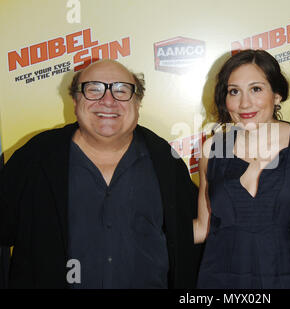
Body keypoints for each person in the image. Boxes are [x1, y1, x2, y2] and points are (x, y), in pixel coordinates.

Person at [0, 59, 201, 288]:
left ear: (137, 103)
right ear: (75, 100)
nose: (108, 101)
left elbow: (190, 238)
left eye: (121, 90)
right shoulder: (36, 158)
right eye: (93, 89)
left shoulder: (165, 160)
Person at [193, 49, 290, 288]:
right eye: (234, 92)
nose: (244, 103)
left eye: (256, 89)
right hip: (222, 282)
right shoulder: (211, 149)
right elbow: (203, 227)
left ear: (277, 95)